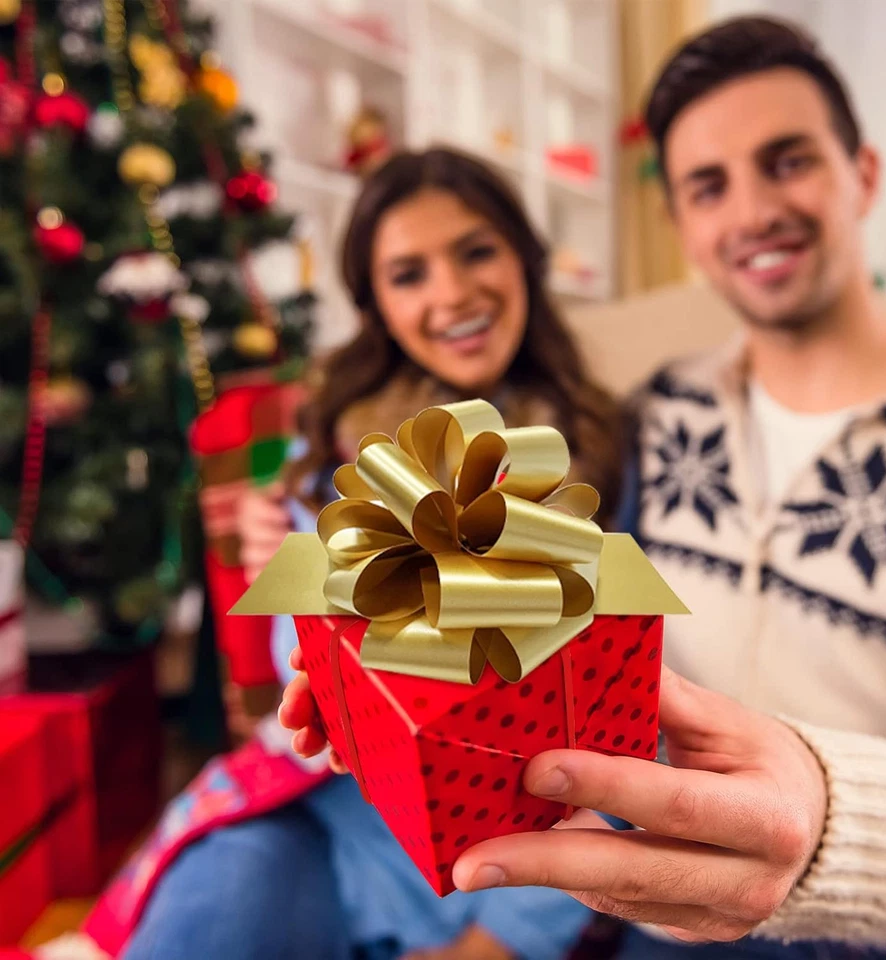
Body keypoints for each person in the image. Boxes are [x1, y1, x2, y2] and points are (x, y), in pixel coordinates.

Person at [283, 16, 886, 952]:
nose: (753, 211)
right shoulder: (660, 413)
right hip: (652, 894)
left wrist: (832, 815)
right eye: (709, 186)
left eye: (789, 161)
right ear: (680, 225)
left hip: (883, 912)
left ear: (865, 174)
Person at [75, 148, 627, 960]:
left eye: (476, 251)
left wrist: (498, 942)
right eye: (409, 275)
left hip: (515, 849)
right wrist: (304, 579)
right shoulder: (344, 444)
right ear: (377, 305)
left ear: (524, 257)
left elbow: (624, 719)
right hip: (323, 819)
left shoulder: (601, 453)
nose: (451, 294)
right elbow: (297, 671)